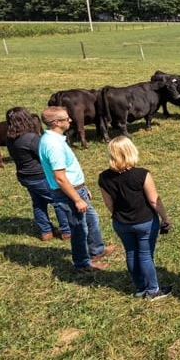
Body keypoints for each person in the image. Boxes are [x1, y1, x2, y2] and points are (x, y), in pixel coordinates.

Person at [39, 106, 113, 272]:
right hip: (68, 194)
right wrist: (77, 198)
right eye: (66, 119)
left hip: (76, 189)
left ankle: (97, 250)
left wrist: (82, 188)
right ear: (56, 122)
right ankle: (82, 263)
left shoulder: (55, 139)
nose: (70, 120)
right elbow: (60, 177)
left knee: (91, 219)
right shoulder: (53, 145)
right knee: (79, 228)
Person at [98, 136, 173, 300]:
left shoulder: (104, 177)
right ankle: (153, 290)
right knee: (145, 255)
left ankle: (140, 288)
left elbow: (108, 203)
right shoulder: (142, 174)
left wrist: (117, 215)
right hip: (144, 221)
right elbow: (154, 200)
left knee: (131, 253)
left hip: (121, 222)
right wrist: (165, 218)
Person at [5, 106, 70, 241]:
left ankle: (46, 231)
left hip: (25, 176)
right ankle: (67, 230)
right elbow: (45, 155)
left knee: (38, 203)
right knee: (58, 201)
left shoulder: (9, 138)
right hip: (40, 176)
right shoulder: (31, 138)